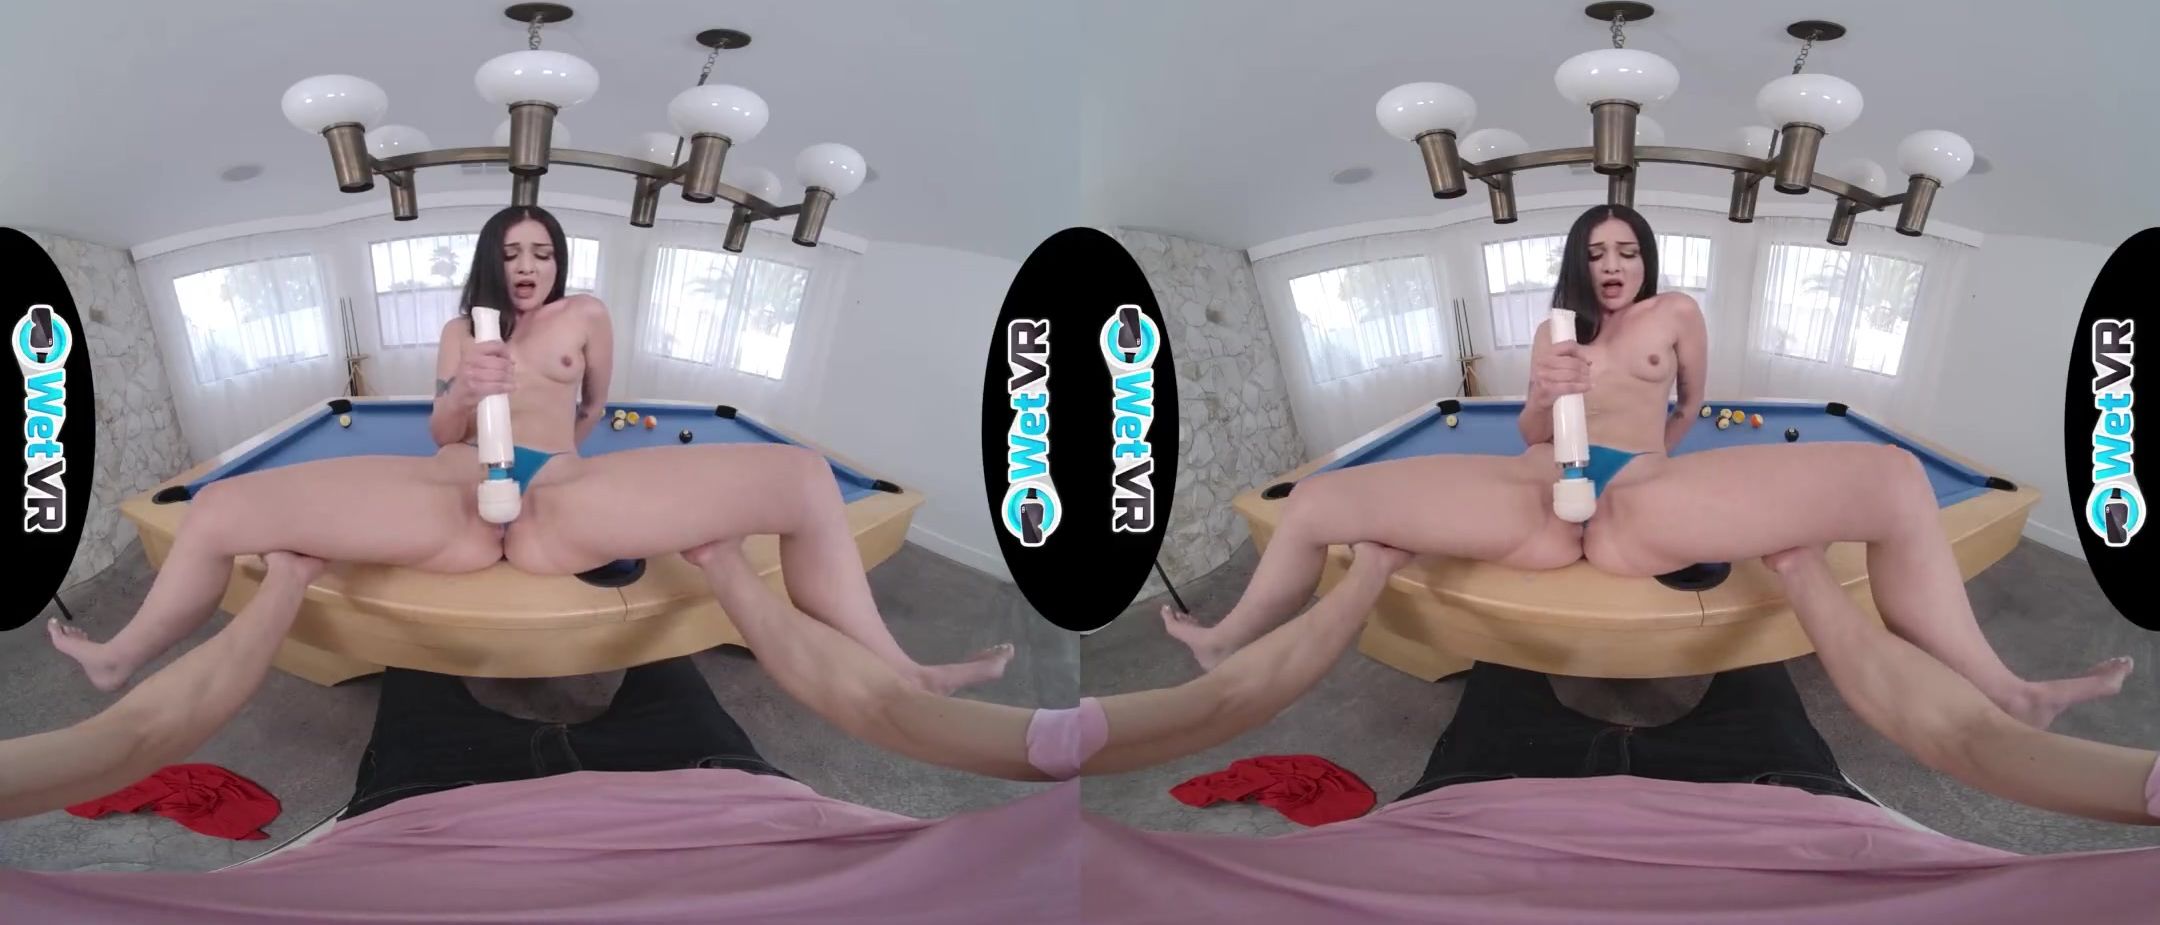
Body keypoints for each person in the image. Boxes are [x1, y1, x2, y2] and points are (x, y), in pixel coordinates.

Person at [1, 540, 1416, 921]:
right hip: (712, 777)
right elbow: (885, 712)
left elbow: (140, 731)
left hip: (415, 815)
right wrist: (737, 582)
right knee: (640, 644)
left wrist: (290, 591)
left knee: (438, 654)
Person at [1163, 203, 2131, 729]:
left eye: (1626, 249)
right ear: (1579, 265)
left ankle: (2006, 687)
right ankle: (1225, 637)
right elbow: (1530, 429)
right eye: (1596, 252)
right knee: (1320, 497)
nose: (1613, 263)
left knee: (1895, 480)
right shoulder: (1554, 329)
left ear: (1646, 258)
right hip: (1539, 494)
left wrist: (1662, 447)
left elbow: (1694, 402)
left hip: (1641, 496)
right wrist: (1544, 391)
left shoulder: (1677, 315)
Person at [47, 204, 1009, 696]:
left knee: (801, 475)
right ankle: (121, 657)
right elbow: (437, 433)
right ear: (491, 262)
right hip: (455, 495)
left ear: (558, 260)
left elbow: (598, 404)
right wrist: (466, 393)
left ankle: (903, 670)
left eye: (540, 251)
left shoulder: (586, 315)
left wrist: (565, 450)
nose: (527, 265)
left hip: (562, 503)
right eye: (511, 253)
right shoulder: (461, 331)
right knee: (218, 505)